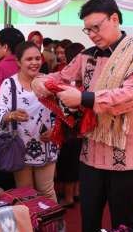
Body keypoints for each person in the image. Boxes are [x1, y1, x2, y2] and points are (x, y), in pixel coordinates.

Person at [32, 0, 133, 231]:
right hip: (92, 150)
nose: (92, 34)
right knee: (89, 215)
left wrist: (83, 98)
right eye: (87, 29)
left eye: (96, 27)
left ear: (114, 19)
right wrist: (41, 81)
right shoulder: (87, 55)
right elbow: (62, 76)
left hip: (127, 154)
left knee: (122, 221)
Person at [0, 41, 58, 201]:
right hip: (19, 146)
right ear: (18, 62)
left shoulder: (48, 82)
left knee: (47, 191)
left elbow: (62, 113)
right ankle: (31, 225)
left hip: (46, 144)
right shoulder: (10, 84)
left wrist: (56, 131)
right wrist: (11, 115)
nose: (35, 63)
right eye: (29, 59)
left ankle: (53, 225)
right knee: (26, 193)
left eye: (37, 58)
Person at [55, 41, 85, 208]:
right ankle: (75, 192)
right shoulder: (88, 77)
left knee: (67, 162)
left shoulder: (68, 78)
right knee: (76, 162)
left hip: (69, 127)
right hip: (83, 128)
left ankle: (68, 198)